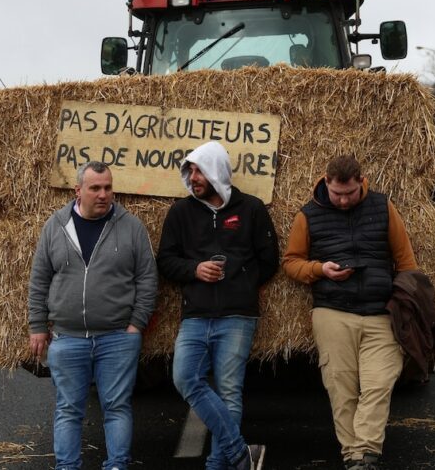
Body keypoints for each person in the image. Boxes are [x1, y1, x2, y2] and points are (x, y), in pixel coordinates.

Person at [282, 155, 418, 470]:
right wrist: (320, 269)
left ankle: (365, 454)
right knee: (340, 385)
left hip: (380, 312)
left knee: (379, 383)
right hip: (332, 311)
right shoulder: (308, 215)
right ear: (325, 182)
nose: (344, 200)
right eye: (337, 194)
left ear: (361, 182)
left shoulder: (383, 207)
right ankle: (355, 458)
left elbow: (406, 261)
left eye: (351, 194)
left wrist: (405, 301)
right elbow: (291, 262)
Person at [28, 161, 158, 470]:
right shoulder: (56, 226)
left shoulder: (131, 227)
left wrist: (136, 324)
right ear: (78, 190)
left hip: (117, 338)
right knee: (68, 409)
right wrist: (37, 325)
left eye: (108, 187)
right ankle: (67, 466)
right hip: (68, 337)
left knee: (116, 407)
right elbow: (39, 279)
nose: (103, 194)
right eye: (95, 188)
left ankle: (116, 465)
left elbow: (148, 279)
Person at [157, 142, 279, 470]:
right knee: (184, 378)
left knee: (229, 390)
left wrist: (241, 284)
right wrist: (194, 270)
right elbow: (165, 261)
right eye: (190, 171)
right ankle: (240, 453)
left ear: (216, 173)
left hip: (238, 315)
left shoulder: (251, 208)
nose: (193, 177)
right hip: (195, 314)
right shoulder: (180, 213)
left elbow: (270, 260)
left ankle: (218, 465)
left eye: (199, 171)